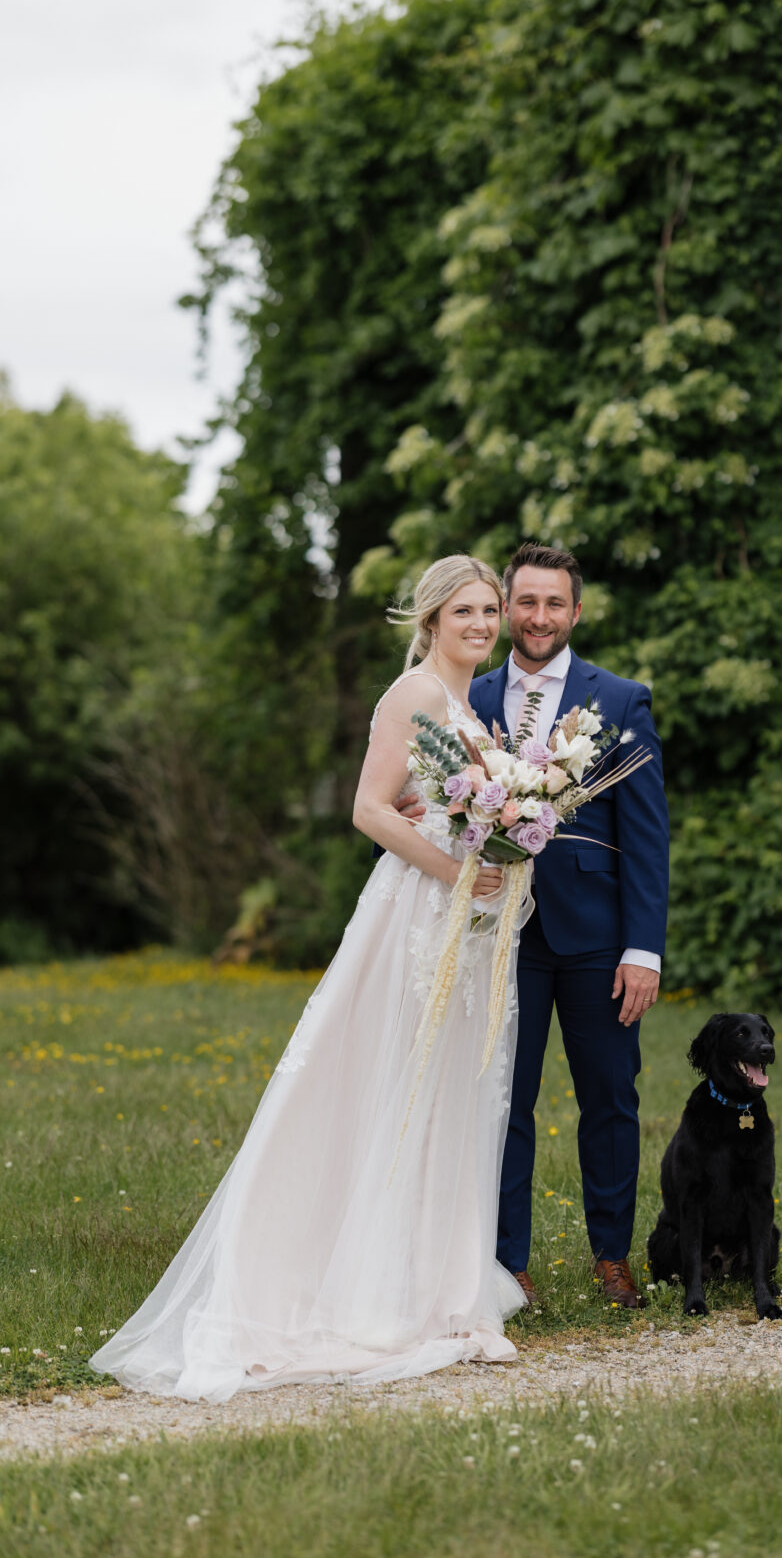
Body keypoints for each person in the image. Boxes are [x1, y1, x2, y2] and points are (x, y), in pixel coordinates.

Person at [91, 556, 531, 1402]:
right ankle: (356, 1291)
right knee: (386, 1080)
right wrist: (454, 870)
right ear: (432, 618)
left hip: (468, 929)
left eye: (490, 612)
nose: (482, 624)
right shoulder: (410, 696)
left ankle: (437, 1288)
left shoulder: (472, 707)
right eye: (466, 611)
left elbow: (427, 799)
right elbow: (368, 809)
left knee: (443, 1091)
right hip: (415, 915)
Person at [400, 542, 670, 1308]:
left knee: (610, 1097)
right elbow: (429, 790)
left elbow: (646, 836)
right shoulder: (466, 693)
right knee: (500, 1100)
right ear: (507, 607)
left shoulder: (619, 700)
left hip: (596, 934)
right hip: (494, 933)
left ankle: (611, 1254)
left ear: (575, 612)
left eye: (554, 603)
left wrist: (641, 948)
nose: (538, 616)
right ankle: (504, 1262)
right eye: (525, 602)